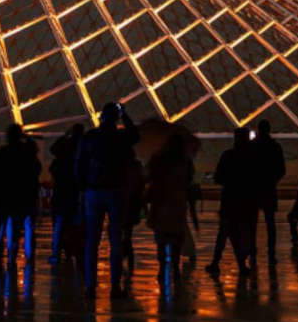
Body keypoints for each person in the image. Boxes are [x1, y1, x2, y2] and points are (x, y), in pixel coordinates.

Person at [75, 102, 139, 297]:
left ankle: (90, 285)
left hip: (94, 191)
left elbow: (79, 164)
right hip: (116, 191)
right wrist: (125, 115)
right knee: (115, 240)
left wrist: (82, 187)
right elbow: (135, 136)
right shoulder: (121, 138)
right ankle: (114, 286)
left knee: (92, 240)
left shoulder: (90, 137)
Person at [145, 134, 195, 295]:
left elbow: (150, 177)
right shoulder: (185, 162)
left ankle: (162, 268)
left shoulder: (158, 160)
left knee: (161, 238)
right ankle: (175, 267)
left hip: (161, 201)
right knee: (176, 237)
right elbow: (189, 181)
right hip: (177, 202)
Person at [209, 128, 258, 276]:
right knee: (244, 232)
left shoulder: (228, 156)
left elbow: (218, 177)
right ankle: (243, 263)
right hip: (247, 200)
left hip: (230, 199)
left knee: (224, 233)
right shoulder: (253, 157)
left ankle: (216, 262)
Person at [0, 124, 42, 266]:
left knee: (12, 227)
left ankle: (11, 256)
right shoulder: (28, 153)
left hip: (10, 195)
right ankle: (29, 256)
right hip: (28, 194)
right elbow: (37, 168)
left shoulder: (4, 152)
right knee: (29, 226)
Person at [48, 124, 85, 264]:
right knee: (76, 224)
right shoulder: (83, 149)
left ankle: (57, 253)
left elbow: (53, 149)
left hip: (61, 192)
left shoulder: (61, 158)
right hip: (76, 192)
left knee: (59, 224)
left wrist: (65, 135)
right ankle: (75, 251)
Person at [252, 120, 286, 265]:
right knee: (270, 222)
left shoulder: (252, 146)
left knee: (252, 222)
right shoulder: (275, 147)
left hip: (254, 188)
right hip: (269, 187)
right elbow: (281, 169)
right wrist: (273, 180)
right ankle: (271, 253)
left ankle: (252, 252)